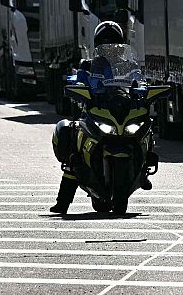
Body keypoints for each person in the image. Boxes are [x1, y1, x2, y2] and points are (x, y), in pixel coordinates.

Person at [49, 20, 156, 214]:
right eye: (106, 42)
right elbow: (79, 81)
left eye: (114, 43)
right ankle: (62, 202)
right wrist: (78, 88)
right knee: (74, 145)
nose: (111, 48)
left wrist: (144, 91)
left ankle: (144, 167)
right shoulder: (87, 65)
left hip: (121, 108)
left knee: (146, 127)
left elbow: (139, 82)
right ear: (98, 44)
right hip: (95, 108)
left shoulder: (128, 65)